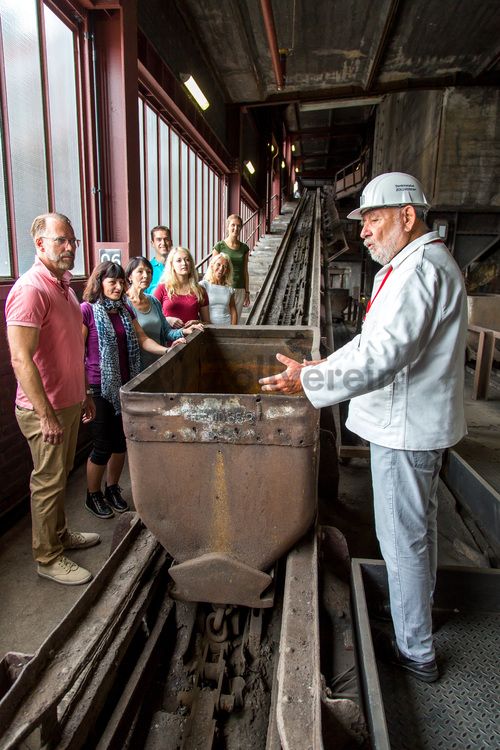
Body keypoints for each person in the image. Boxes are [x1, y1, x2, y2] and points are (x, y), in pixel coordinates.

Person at [260, 172, 467, 683]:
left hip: (405, 429)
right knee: (416, 534)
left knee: (402, 540)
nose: (365, 232)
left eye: (373, 219)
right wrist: (319, 367)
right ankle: (418, 617)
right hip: (411, 425)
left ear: (407, 216)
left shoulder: (419, 272)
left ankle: (415, 651)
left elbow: (383, 357)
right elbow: (369, 344)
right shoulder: (408, 268)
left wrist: (311, 380)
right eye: (364, 222)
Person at [5, 212, 99, 586]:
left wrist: (84, 393)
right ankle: (47, 557)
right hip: (45, 409)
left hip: (69, 401)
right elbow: (19, 358)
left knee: (60, 477)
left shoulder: (63, 287)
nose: (70, 247)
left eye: (72, 240)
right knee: (47, 482)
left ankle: (59, 536)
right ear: (39, 243)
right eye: (61, 240)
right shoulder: (31, 289)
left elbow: (70, 347)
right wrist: (45, 415)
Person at [82, 261, 184, 519]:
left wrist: (167, 349)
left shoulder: (125, 310)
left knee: (120, 444)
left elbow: (142, 339)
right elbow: (75, 353)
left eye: (120, 283)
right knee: (103, 445)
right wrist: (83, 394)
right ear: (99, 282)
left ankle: (112, 488)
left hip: (126, 385)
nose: (118, 287)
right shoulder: (87, 311)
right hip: (99, 388)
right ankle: (92, 494)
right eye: (111, 282)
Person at [125, 256, 204, 369]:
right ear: (129, 276)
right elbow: (139, 338)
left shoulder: (153, 301)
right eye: (140, 271)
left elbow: (166, 332)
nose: (146, 276)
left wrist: (185, 331)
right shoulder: (124, 304)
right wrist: (167, 350)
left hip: (158, 362)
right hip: (135, 366)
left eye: (149, 272)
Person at [153, 247, 210, 326]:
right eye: (179, 260)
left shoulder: (200, 290)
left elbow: (207, 322)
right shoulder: (162, 288)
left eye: (187, 260)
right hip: (168, 337)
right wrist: (167, 320)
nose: (184, 263)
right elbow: (152, 317)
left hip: (193, 336)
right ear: (172, 264)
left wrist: (198, 322)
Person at [213, 214, 250, 319]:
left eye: (238, 226)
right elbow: (213, 270)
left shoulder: (244, 248)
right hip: (223, 287)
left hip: (239, 289)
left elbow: (245, 271)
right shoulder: (219, 246)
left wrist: (247, 292)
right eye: (233, 225)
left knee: (235, 320)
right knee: (222, 318)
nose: (236, 228)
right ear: (228, 226)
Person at [200, 252, 238, 325]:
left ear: (227, 270)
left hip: (227, 326)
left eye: (225, 266)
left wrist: (233, 329)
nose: (221, 269)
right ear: (212, 265)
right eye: (218, 264)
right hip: (208, 328)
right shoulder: (203, 285)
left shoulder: (229, 289)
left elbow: (233, 310)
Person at [145, 225, 173, 295]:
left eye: (166, 239)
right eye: (159, 239)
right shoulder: (147, 268)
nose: (163, 243)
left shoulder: (179, 266)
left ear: (171, 242)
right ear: (152, 243)